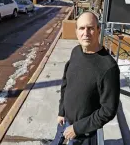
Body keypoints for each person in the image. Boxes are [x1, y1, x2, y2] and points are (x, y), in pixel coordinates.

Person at [51, 11, 120, 145]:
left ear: (99, 30)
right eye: (82, 28)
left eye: (91, 28)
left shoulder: (109, 68)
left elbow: (108, 110)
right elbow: (66, 83)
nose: (86, 33)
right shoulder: (76, 52)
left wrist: (77, 128)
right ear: (76, 31)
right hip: (64, 121)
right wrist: (61, 111)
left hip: (84, 133)